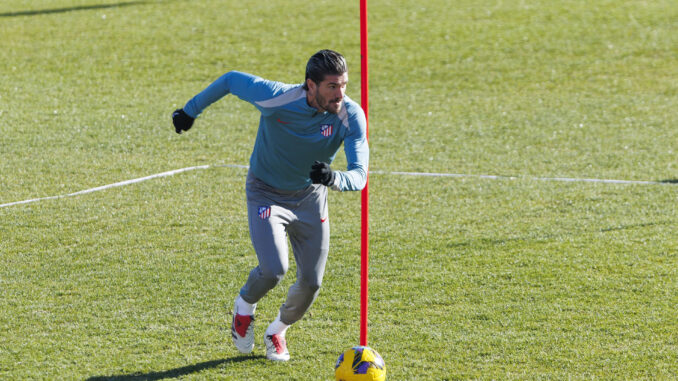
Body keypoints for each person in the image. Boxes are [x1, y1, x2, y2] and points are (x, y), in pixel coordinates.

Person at [171, 49, 368, 361]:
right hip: (266, 193)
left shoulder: (350, 116)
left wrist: (334, 178)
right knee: (275, 269)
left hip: (310, 198)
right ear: (311, 85)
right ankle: (244, 307)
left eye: (344, 85)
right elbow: (232, 80)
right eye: (332, 86)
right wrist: (191, 110)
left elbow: (359, 176)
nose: (340, 94)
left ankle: (277, 330)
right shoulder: (277, 97)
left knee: (312, 283)